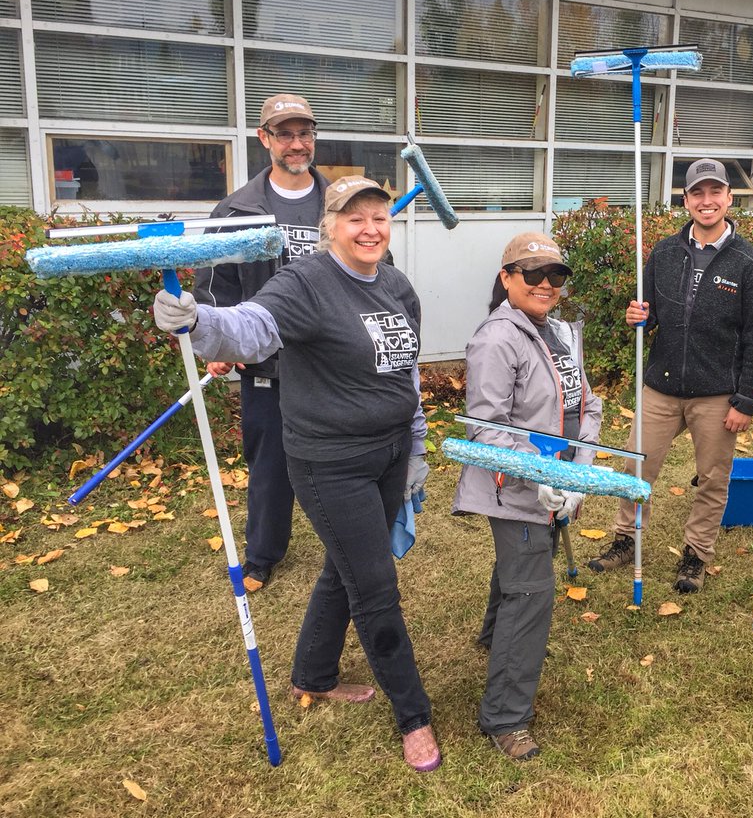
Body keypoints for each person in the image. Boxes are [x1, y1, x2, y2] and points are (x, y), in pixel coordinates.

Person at [152, 176, 440, 772]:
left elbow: (407, 372)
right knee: (376, 586)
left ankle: (312, 674)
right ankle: (413, 716)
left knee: (347, 567)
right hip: (330, 462)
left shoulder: (395, 284)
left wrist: (414, 448)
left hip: (387, 453)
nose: (369, 229)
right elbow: (254, 328)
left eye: (379, 217)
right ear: (330, 225)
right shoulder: (306, 281)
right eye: (354, 218)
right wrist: (198, 321)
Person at [587, 159, 753, 593]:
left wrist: (745, 400)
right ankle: (624, 540)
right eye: (697, 193)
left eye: (715, 193)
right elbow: (647, 314)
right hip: (662, 386)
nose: (706, 201)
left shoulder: (750, 263)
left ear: (729, 198)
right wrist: (636, 316)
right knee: (636, 468)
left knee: (712, 478)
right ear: (686, 200)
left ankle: (696, 555)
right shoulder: (664, 253)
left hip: (717, 394)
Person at [452, 232, 602, 762]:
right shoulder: (498, 339)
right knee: (532, 592)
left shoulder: (558, 332)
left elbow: (588, 407)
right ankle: (505, 717)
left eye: (555, 275)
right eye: (531, 273)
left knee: (520, 568)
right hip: (513, 489)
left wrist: (578, 474)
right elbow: (485, 430)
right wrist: (541, 475)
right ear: (507, 278)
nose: (545, 284)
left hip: (556, 484)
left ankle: (494, 638)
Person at [193, 93, 331, 593]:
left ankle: (343, 541)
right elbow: (215, 282)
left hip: (326, 359)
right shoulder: (238, 208)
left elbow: (371, 267)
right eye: (286, 134)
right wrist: (222, 345)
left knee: (333, 459)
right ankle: (263, 554)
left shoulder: (338, 203)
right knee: (269, 463)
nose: (297, 144)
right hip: (266, 360)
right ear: (264, 139)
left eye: (305, 133)